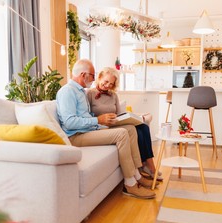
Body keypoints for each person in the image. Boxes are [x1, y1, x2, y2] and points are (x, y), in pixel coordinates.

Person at [56, 59, 156, 199]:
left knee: (130, 129)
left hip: (89, 130)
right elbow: (69, 122)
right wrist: (98, 120)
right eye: (92, 75)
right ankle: (130, 184)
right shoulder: (67, 91)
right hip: (76, 136)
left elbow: (86, 115)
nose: (93, 78)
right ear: (84, 75)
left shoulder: (80, 91)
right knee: (121, 134)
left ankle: (137, 175)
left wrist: (101, 123)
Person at [86, 67, 163, 181]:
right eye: (106, 81)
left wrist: (128, 118)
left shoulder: (113, 95)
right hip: (101, 126)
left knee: (143, 127)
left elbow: (119, 113)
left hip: (114, 123)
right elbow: (87, 115)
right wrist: (100, 118)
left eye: (111, 84)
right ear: (100, 77)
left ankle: (149, 164)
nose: (107, 86)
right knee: (135, 130)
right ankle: (148, 168)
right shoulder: (90, 94)